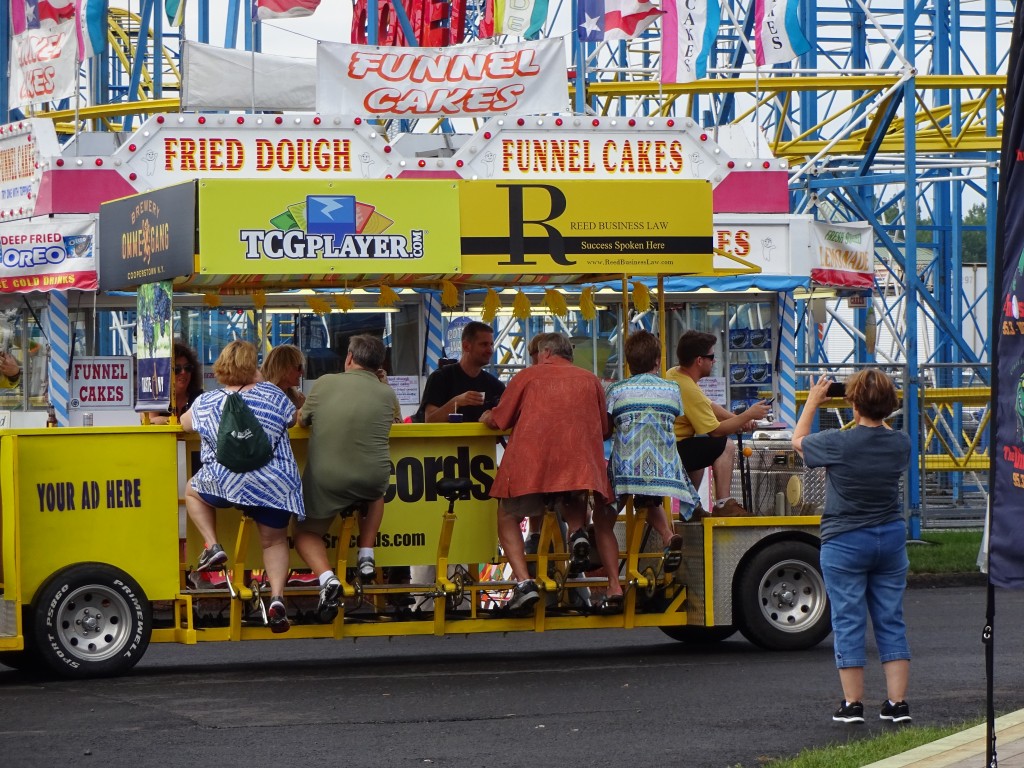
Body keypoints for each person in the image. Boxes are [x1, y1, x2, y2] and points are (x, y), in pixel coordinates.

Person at [792, 369, 912, 725]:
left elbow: (798, 440)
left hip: (844, 540)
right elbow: (883, 429)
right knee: (890, 618)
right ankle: (897, 703)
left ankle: (852, 704)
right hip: (890, 537)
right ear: (890, 405)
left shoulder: (837, 442)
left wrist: (813, 402)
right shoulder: (901, 443)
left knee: (848, 618)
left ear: (853, 402)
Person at [480, 332, 616, 613]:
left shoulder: (529, 377)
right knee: (572, 493)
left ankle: (524, 583)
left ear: (544, 353)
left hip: (533, 465)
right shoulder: (591, 380)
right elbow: (604, 429)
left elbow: (500, 418)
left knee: (507, 515)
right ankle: (577, 532)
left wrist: (486, 416)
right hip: (579, 467)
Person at [180, 340, 305, 633]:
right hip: (273, 484)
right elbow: (293, 419)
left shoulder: (207, 401)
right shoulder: (273, 395)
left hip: (225, 483)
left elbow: (184, 424)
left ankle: (213, 545)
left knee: (193, 491)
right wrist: (260, 384)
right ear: (254, 367)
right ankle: (276, 598)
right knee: (273, 542)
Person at [295, 333, 401, 623]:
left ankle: (327, 579)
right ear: (379, 364)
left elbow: (301, 420)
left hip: (328, 478)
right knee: (376, 491)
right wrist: (384, 385)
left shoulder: (326, 383)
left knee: (305, 532)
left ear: (350, 358)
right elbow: (397, 422)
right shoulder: (386, 393)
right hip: (372, 477)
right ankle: (366, 551)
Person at [605, 330, 699, 575]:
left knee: (604, 517)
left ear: (628, 362)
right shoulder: (672, 389)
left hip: (626, 470)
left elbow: (606, 428)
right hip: (665, 470)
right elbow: (675, 414)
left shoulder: (616, 390)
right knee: (647, 497)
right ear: (657, 361)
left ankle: (611, 577)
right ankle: (668, 536)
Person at [665, 331, 770, 513]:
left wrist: (738, 419)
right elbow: (716, 431)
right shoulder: (688, 389)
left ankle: (691, 506)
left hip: (669, 447)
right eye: (711, 357)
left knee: (699, 448)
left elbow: (709, 405)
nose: (714, 361)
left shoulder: (675, 373)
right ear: (699, 360)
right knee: (724, 446)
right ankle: (723, 503)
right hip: (672, 453)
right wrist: (747, 415)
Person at [420, 320, 505, 423]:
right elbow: (430, 420)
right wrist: (457, 402)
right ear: (466, 346)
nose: (490, 350)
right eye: (484, 344)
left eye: (491, 344)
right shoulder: (440, 378)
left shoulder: (495, 386)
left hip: (483, 440)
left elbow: (509, 419)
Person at [148, 341, 203, 425]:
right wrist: (179, 423)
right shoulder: (154, 396)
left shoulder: (200, 398)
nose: (183, 372)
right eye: (176, 369)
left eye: (188, 368)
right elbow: (150, 420)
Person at [262, 344, 306, 410]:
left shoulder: (299, 399)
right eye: (299, 367)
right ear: (283, 369)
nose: (302, 372)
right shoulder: (262, 400)